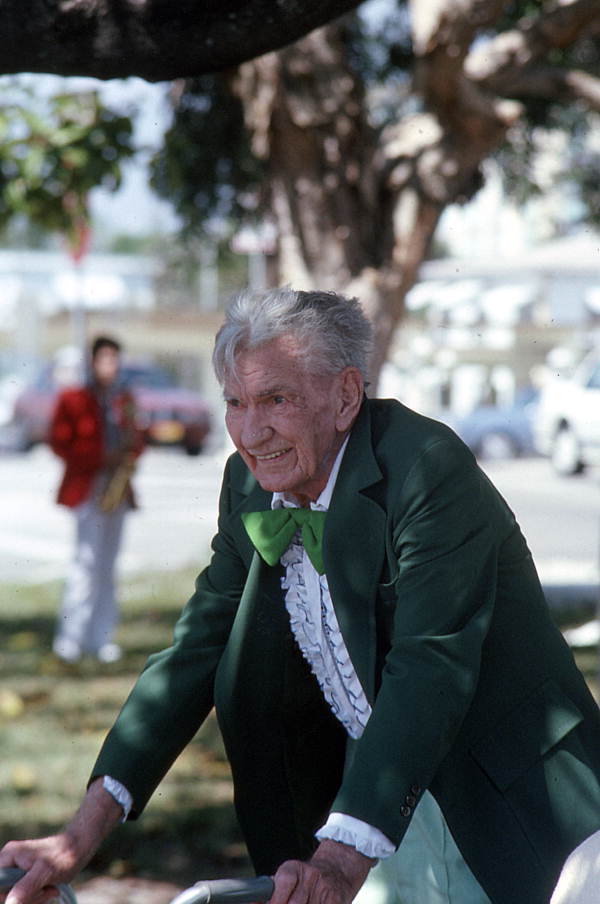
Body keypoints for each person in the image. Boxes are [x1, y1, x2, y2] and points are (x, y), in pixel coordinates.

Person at [2, 288, 600, 904]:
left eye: (276, 399)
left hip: (511, 794)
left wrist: (339, 862)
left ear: (344, 397)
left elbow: (431, 665)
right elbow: (193, 653)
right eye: (234, 402)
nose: (250, 430)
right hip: (377, 810)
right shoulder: (248, 484)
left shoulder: (426, 466)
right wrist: (77, 836)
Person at [49, 335, 144, 664]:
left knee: (108, 565)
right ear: (92, 362)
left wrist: (128, 455)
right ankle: (70, 639)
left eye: (115, 359)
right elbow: (60, 443)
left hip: (117, 488)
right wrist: (102, 457)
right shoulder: (73, 398)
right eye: (105, 359)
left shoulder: (124, 398)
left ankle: (102, 638)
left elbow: (137, 439)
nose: (111, 366)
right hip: (88, 487)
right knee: (85, 563)